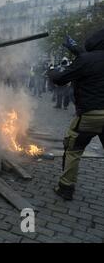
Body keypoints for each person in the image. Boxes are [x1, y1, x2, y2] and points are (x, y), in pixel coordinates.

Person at [48, 30, 104, 201]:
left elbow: (60, 79)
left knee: (73, 149)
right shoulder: (88, 58)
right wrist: (74, 48)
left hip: (90, 114)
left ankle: (66, 187)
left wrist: (52, 71)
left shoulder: (86, 60)